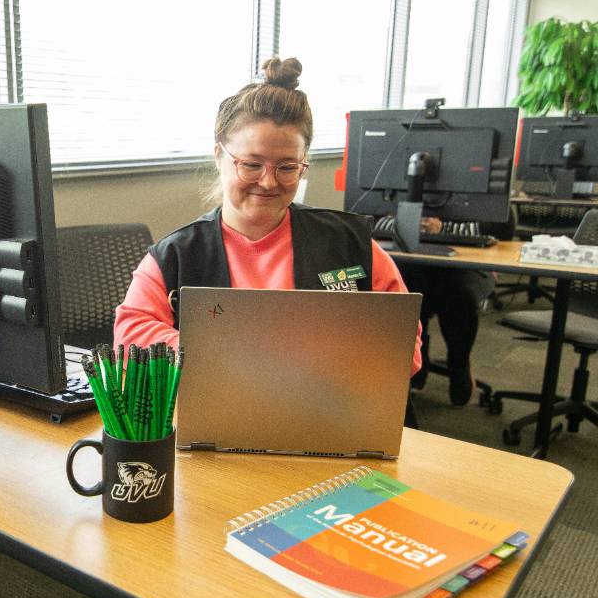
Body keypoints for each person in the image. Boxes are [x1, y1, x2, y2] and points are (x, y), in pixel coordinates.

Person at [113, 57, 422, 379]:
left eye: (287, 167)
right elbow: (129, 338)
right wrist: (232, 356)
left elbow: (405, 349)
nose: (269, 182)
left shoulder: (349, 244)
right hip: (218, 411)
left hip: (333, 408)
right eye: (251, 164)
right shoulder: (176, 255)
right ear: (219, 156)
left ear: (304, 162)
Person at [396, 216, 496, 406]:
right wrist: (410, 223)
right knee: (403, 289)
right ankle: (416, 357)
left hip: (470, 261)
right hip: (415, 257)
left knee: (459, 294)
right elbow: (372, 219)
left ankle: (459, 364)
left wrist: (444, 228)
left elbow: (501, 227)